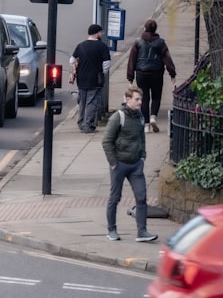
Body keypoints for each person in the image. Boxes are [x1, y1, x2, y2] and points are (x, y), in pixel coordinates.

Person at [102, 85, 158, 243]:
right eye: (137, 99)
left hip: (135, 165)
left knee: (141, 197)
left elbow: (142, 138)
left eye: (141, 99)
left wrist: (142, 157)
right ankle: (111, 230)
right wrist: (113, 163)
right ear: (128, 100)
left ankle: (142, 232)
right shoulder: (118, 117)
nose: (140, 102)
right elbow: (106, 141)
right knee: (115, 197)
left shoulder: (140, 117)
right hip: (119, 164)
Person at [126, 18, 177, 133]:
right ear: (155, 29)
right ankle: (153, 116)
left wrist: (130, 77)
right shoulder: (161, 42)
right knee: (156, 96)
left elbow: (132, 60)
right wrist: (172, 73)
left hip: (141, 73)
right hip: (156, 73)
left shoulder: (138, 42)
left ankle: (146, 124)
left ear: (145, 28)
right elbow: (167, 58)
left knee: (143, 99)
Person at [69, 24, 112, 133]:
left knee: (82, 101)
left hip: (81, 79)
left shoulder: (81, 46)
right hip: (95, 79)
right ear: (97, 33)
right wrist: (102, 72)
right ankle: (88, 125)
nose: (102, 34)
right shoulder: (102, 46)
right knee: (91, 102)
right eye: (101, 32)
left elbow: (71, 60)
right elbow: (107, 64)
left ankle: (81, 122)